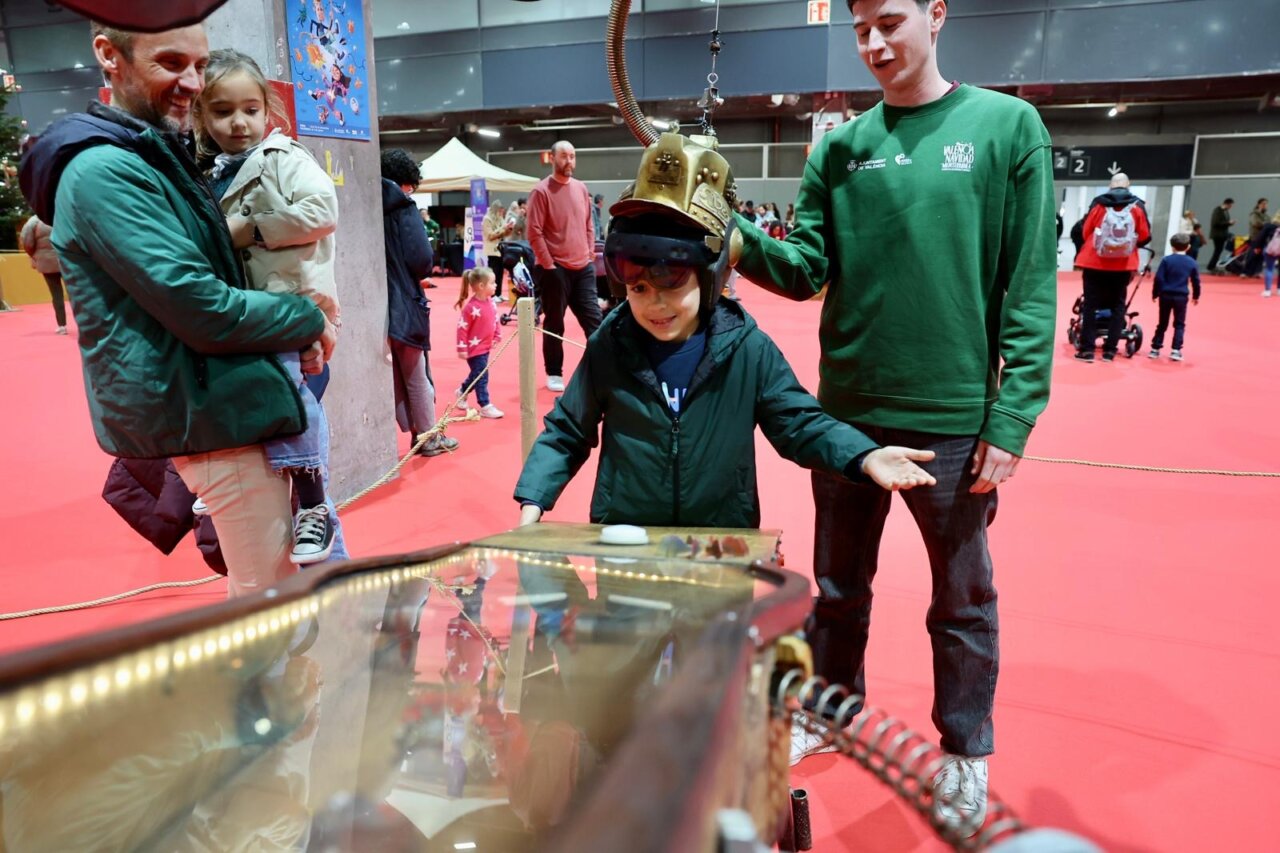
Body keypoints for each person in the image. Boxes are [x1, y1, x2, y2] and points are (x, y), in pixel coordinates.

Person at [730, 0, 1057, 833]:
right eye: (861, 28)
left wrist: (1012, 418)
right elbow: (804, 270)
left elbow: (1028, 288)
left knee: (963, 598)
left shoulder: (1007, 127)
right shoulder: (839, 149)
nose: (873, 42)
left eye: (890, 21)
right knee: (837, 588)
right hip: (843, 418)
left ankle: (965, 752)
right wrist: (729, 233)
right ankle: (831, 710)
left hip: (955, 420)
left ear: (935, 15)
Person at [19, 21, 335, 597]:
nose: (192, 81)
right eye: (171, 62)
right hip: (207, 406)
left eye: (199, 63)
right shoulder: (108, 168)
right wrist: (306, 317)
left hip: (219, 397)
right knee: (274, 602)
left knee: (276, 589)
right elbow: (202, 307)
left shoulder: (147, 152)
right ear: (109, 56)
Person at [513, 133, 937, 531]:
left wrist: (862, 455)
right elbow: (567, 430)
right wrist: (534, 499)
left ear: (710, 276)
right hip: (629, 541)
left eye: (672, 283)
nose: (653, 303)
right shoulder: (613, 342)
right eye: (638, 288)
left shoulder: (744, 348)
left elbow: (799, 422)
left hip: (719, 545)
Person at [193, 48, 345, 564]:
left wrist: (254, 229)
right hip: (245, 315)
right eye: (222, 111)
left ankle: (313, 505)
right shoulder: (209, 173)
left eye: (251, 109)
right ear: (201, 115)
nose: (239, 122)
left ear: (267, 111)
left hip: (290, 308)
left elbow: (323, 210)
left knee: (291, 398)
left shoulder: (282, 158)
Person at [381, 147, 459, 457]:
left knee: (395, 374)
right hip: (403, 298)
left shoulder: (365, 203)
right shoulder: (403, 206)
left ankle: (417, 431)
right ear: (406, 180)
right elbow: (421, 261)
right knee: (416, 370)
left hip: (372, 302)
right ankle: (428, 437)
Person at [527, 140, 601, 392]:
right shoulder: (541, 191)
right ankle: (554, 372)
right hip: (554, 270)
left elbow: (589, 224)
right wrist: (549, 264)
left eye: (572, 156)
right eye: (563, 156)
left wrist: (590, 253)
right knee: (554, 323)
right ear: (552, 158)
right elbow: (534, 232)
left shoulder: (581, 188)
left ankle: (601, 367)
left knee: (594, 321)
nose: (569, 161)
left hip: (583, 268)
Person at [1074, 173, 1151, 362]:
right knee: (1118, 305)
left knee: (1091, 304)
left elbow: (1086, 231)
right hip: (1123, 264)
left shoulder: (1099, 204)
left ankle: (1087, 350)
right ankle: (1110, 351)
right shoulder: (1137, 206)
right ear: (1128, 185)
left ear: (1111, 185)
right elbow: (1144, 235)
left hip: (1095, 262)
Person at [454, 266, 504, 419]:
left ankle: (462, 391)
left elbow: (495, 320)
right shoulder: (471, 307)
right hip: (475, 349)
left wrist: (497, 335)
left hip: (485, 346)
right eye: (492, 283)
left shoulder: (491, 302)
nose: (496, 285)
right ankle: (485, 404)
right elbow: (462, 328)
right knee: (482, 376)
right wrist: (461, 347)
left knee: (477, 374)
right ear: (481, 286)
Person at [1148, 233, 1200, 362]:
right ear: (1188, 247)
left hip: (1165, 295)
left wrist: (1155, 293)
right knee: (1179, 323)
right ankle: (1176, 350)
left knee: (1162, 322)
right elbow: (1196, 281)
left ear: (1172, 247)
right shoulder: (1191, 262)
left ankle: (1155, 348)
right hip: (1181, 296)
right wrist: (1196, 295)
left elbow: (1159, 279)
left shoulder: (1166, 260)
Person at [19, 214, 67, 334]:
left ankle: (62, 326)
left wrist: (34, 256)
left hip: (46, 262)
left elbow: (28, 243)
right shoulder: (61, 215)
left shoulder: (33, 222)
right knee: (76, 292)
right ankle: (86, 324)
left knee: (56, 294)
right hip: (66, 259)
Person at [482, 199, 511, 300]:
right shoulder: (487, 219)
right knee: (493, 273)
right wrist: (503, 228)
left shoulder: (500, 218)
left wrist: (508, 229)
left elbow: (503, 233)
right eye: (500, 210)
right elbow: (490, 236)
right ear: (495, 209)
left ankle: (499, 294)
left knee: (500, 273)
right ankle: (492, 295)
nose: (501, 212)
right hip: (491, 250)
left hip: (500, 249)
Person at [1207, 197, 1235, 272]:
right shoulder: (1218, 211)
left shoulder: (1225, 211)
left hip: (1222, 234)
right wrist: (1228, 223)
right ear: (1227, 204)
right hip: (1217, 235)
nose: (1230, 207)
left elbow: (1223, 222)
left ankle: (1212, 265)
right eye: (1230, 206)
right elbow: (1216, 223)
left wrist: (1229, 223)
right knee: (1217, 251)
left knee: (1218, 251)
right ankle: (1211, 266)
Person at [1261, 213, 1280, 297]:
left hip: (1271, 250)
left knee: (1269, 269)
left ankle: (1267, 291)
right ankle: (1279, 290)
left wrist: (1257, 247)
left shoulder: (1270, 226)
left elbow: (1261, 237)